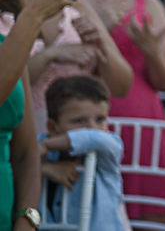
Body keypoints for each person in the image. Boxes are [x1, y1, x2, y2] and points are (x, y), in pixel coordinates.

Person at [81, 0, 165, 222]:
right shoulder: (80, 0)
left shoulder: (150, 4)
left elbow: (164, 80)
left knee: (150, 218)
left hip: (145, 119)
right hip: (95, 116)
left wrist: (152, 52)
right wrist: (104, 28)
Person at [0, 0, 86, 231]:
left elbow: (25, 156)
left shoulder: (7, 40)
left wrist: (26, 221)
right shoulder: (21, 30)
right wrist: (33, 17)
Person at [22, 0, 132, 131]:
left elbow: (121, 87)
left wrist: (103, 45)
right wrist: (50, 56)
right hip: (21, 134)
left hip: (79, 140)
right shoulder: (4, 13)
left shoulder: (77, 9)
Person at [38, 76, 128, 231]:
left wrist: (47, 145)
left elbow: (95, 138)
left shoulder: (108, 149)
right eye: (79, 121)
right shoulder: (41, 147)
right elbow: (16, 165)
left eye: (100, 119)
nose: (92, 127)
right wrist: (45, 169)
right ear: (53, 128)